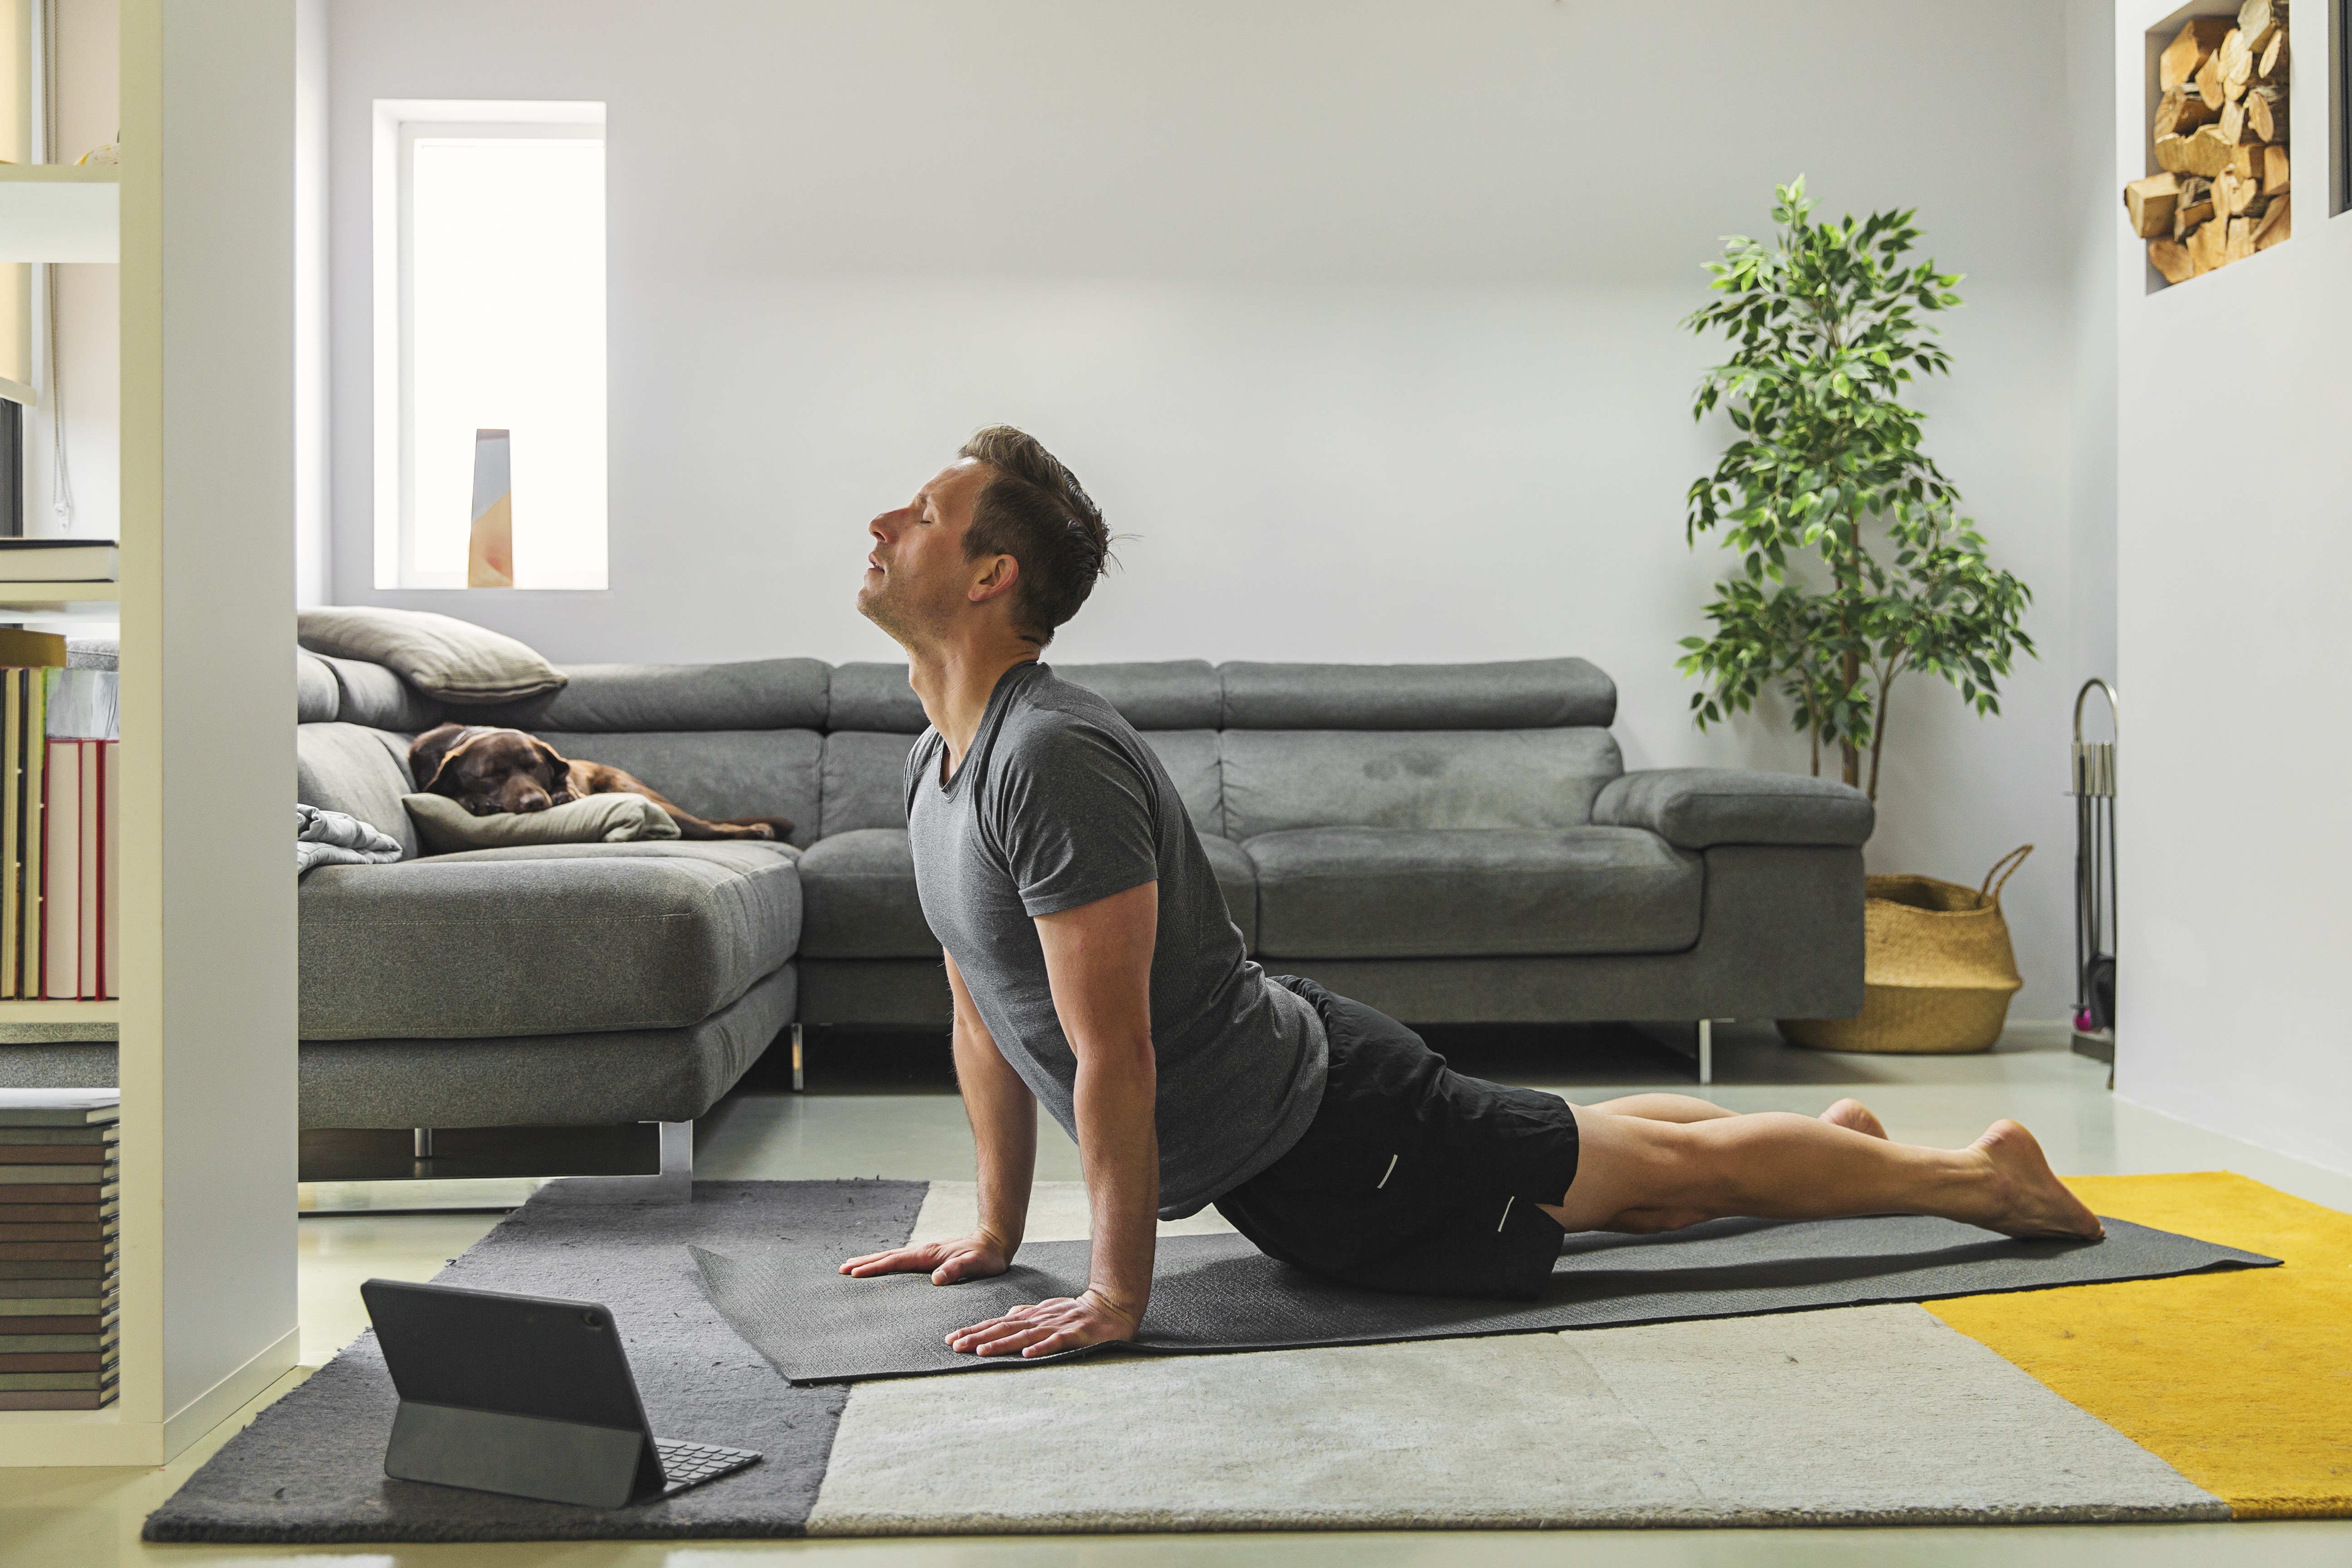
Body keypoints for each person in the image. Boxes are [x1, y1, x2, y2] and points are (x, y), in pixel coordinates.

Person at [838, 426, 2103, 1361]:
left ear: (992, 574)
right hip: (1296, 1144)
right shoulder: (937, 765)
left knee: (1660, 1183)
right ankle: (1832, 1149)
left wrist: (1118, 1297)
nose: (885, 524)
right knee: (1602, 1150)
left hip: (1340, 1132)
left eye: (921, 512)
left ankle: (1983, 1180)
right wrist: (996, 1231)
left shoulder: (1049, 756)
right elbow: (987, 1014)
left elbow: (1113, 1053)